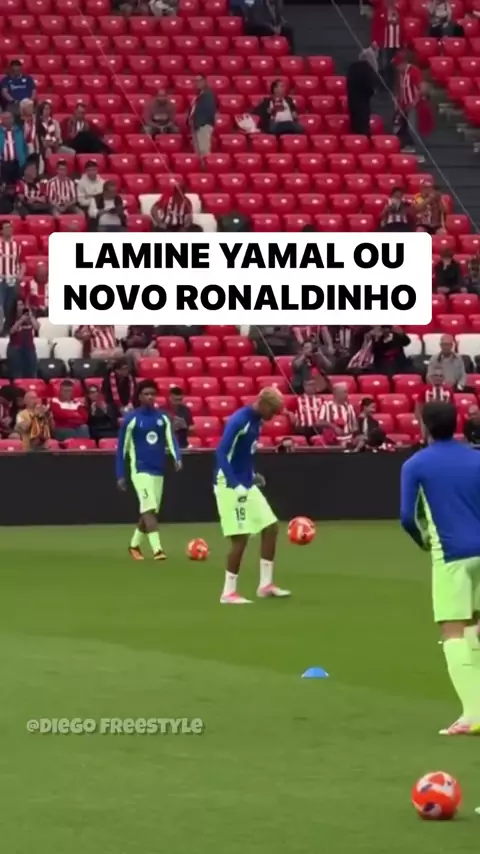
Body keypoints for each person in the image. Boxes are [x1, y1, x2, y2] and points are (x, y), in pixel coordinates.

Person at [400, 401, 480, 735]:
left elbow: (407, 517)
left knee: (452, 630)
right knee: (474, 625)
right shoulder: (476, 457)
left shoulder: (415, 464)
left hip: (450, 554)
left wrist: (423, 541)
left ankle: (473, 714)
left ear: (425, 426)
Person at [214, 387, 290, 604]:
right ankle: (228, 592)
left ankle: (265, 585)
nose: (273, 416)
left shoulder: (257, 422)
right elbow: (221, 453)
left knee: (270, 526)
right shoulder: (240, 421)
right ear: (263, 404)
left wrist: (252, 475)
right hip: (228, 483)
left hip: (246, 481)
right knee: (240, 538)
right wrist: (234, 483)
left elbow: (244, 454)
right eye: (272, 411)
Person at [116, 379, 182, 561]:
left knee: (149, 511)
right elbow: (121, 449)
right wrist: (120, 474)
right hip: (140, 470)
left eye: (152, 394)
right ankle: (158, 550)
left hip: (158, 471)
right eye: (146, 394)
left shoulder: (162, 418)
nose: (150, 397)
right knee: (149, 509)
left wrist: (177, 457)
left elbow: (171, 439)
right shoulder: (131, 420)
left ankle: (134, 545)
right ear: (139, 397)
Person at [0, 219, 25, 332]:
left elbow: (22, 263)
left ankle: (7, 332)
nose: (9, 229)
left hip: (13, 280)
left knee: (10, 308)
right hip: (0, 280)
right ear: (1, 230)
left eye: (10, 227)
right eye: (6, 228)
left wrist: (20, 275)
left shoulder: (17, 245)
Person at [346, 48, 377, 136]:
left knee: (354, 127)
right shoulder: (367, 69)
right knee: (362, 128)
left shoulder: (352, 67)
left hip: (352, 101)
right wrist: (372, 91)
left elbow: (348, 84)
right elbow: (369, 87)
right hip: (363, 103)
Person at [6, 298, 38, 378]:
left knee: (31, 373)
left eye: (22, 304)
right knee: (17, 374)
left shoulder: (30, 317)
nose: (21, 307)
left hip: (29, 348)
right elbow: (11, 331)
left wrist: (31, 316)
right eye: (18, 305)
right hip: (15, 349)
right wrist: (21, 320)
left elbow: (37, 327)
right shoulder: (11, 317)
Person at [189, 75, 217, 159]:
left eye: (199, 81)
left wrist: (201, 123)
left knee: (203, 150)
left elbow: (209, 110)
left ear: (204, 81)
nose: (197, 83)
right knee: (198, 151)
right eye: (196, 81)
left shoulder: (208, 94)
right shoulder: (199, 94)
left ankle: (206, 166)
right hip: (197, 125)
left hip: (203, 125)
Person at [0, 110, 28, 184]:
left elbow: (24, 147)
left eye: (9, 117)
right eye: (5, 118)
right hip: (3, 165)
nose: (8, 120)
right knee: (5, 186)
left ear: (13, 118)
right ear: (2, 120)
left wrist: (24, 160)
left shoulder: (19, 131)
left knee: (19, 184)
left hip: (18, 164)